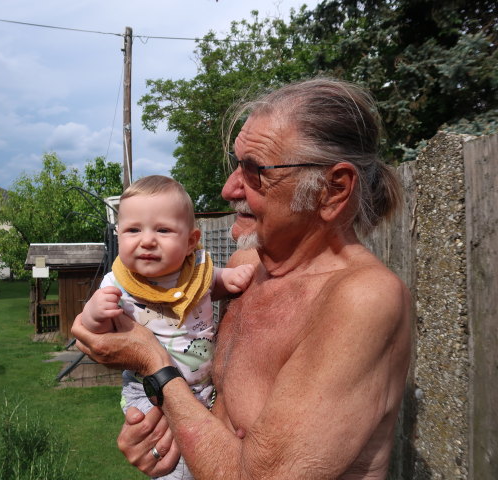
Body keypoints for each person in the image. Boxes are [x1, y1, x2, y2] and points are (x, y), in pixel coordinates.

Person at [72, 77, 412, 479]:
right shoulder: (245, 268)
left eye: (255, 171)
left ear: (332, 189)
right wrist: (162, 430)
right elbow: (203, 383)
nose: (228, 188)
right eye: (237, 165)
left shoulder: (363, 299)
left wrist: (154, 367)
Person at [82, 175, 255, 479]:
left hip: (202, 388)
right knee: (173, 459)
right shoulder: (119, 283)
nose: (147, 240)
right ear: (118, 234)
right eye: (133, 230)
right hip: (148, 392)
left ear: (190, 241)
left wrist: (230, 279)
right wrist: (95, 313)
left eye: (162, 230)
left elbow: (214, 283)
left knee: (206, 447)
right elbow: (88, 327)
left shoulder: (199, 272)